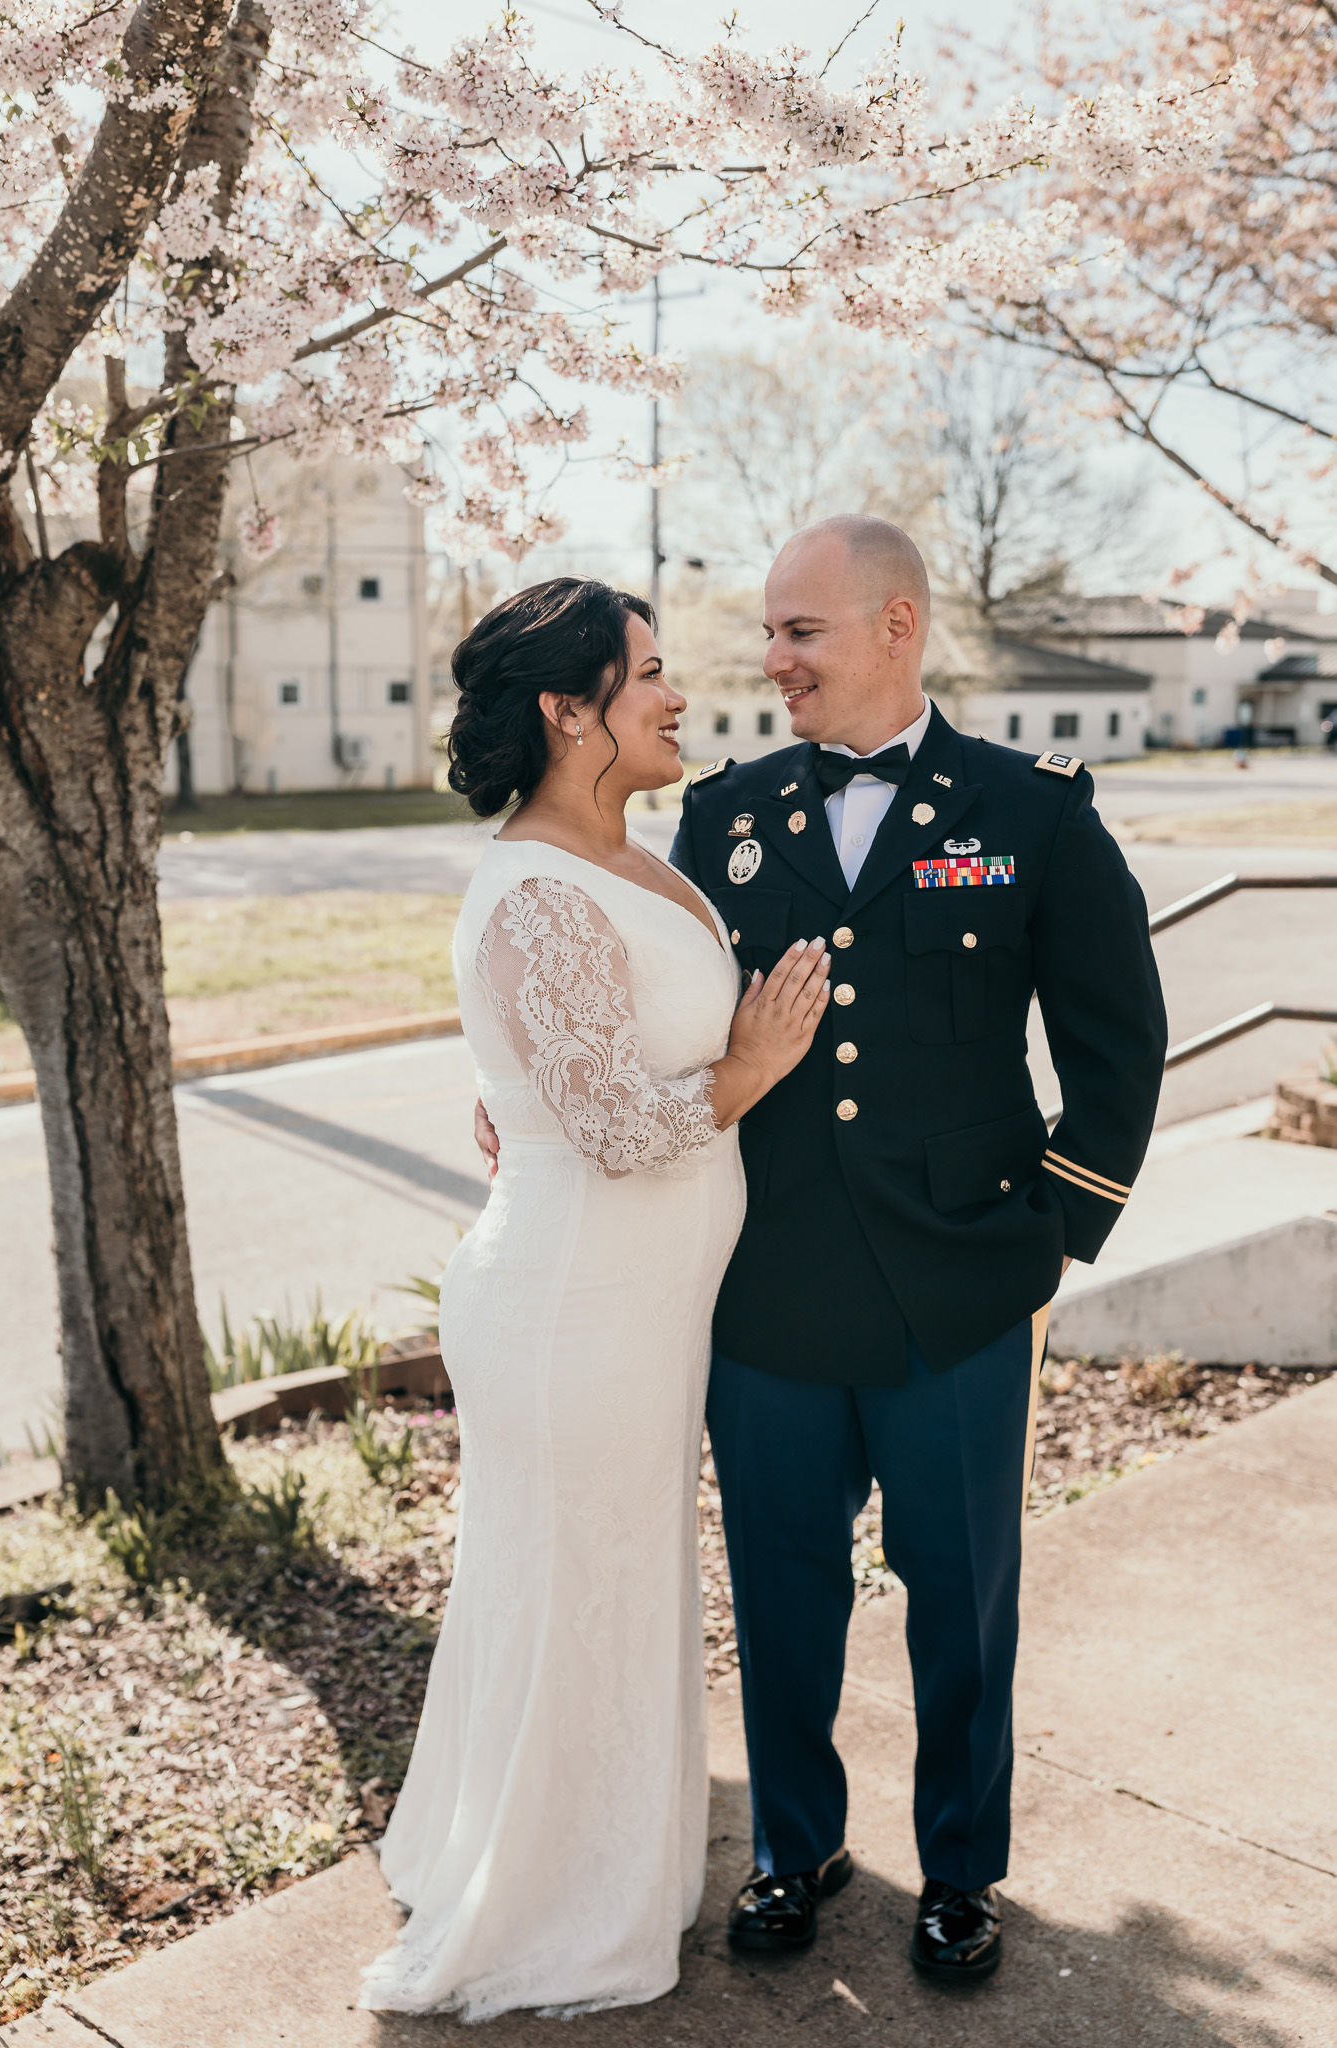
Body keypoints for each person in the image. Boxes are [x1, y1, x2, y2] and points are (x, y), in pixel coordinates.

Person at [667, 516, 1168, 1983]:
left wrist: (1055, 1234)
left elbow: (1119, 1045)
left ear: (898, 626)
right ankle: (792, 1847)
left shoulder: (1035, 809)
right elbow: (669, 1030)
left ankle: (960, 1869)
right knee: (780, 1591)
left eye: (800, 633)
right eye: (768, 632)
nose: (772, 661)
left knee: (962, 1597)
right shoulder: (725, 817)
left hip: (960, 1291)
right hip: (769, 1285)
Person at [360, 577, 830, 2019]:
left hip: (635, 1308)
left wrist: (540, 1093)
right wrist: (750, 1070)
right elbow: (622, 1133)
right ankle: (542, 1904)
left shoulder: (632, 856)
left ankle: (567, 1855)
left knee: (602, 1586)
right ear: (570, 713)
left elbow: (578, 1067)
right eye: (647, 675)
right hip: (572, 1311)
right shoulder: (535, 885)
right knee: (577, 1589)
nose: (678, 694)